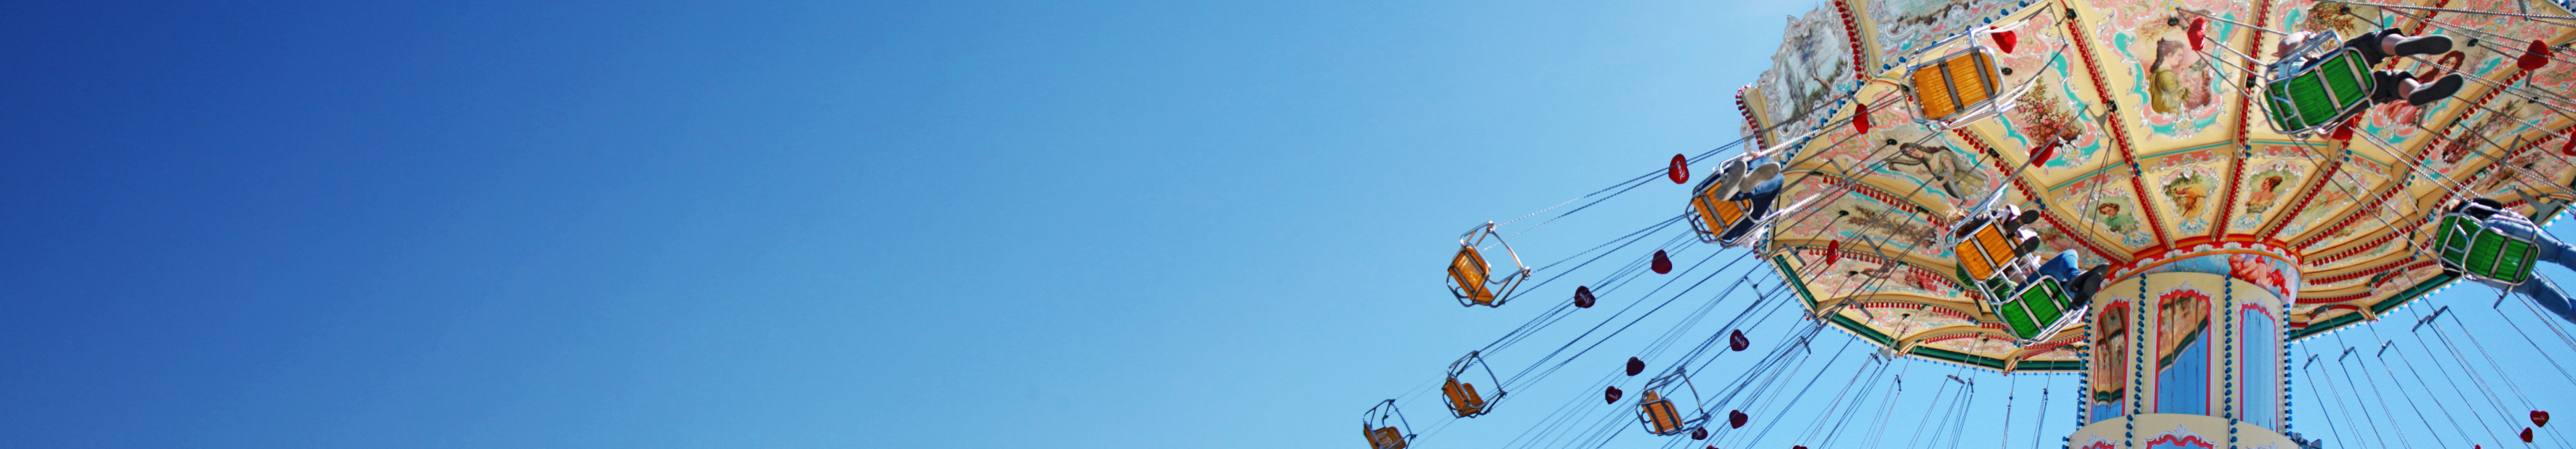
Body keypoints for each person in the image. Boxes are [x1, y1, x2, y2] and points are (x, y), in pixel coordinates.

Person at [2454, 198, 2576, 324]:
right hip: (2499, 232)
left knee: (2537, 290)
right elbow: (2496, 205)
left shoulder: (2451, 246)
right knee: (2558, 252)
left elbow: (2451, 272)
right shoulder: (2469, 207)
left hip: (2485, 263)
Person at [2276, 28, 2464, 106]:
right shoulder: (2290, 66)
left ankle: (2417, 89)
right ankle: (2399, 44)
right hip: (2324, 76)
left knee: (2385, 84)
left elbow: (2325, 134)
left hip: (2341, 102)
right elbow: (2285, 46)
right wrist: (2303, 34)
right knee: (2372, 45)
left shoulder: (2291, 102)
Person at [1710, 148, 1787, 245]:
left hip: (1716, 196)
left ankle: (1744, 184)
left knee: (1769, 163)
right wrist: (1765, 212)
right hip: (1736, 220)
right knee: (1775, 173)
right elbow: (1746, 243)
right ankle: (1744, 187)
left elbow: (1747, 242)